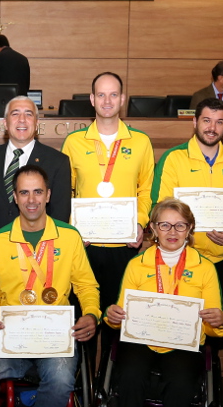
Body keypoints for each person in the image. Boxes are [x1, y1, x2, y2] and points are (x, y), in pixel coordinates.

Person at [103, 199, 223, 407]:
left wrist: (220, 322)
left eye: (180, 225)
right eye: (165, 225)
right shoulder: (137, 264)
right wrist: (111, 315)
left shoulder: (205, 268)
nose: (172, 231)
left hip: (184, 345)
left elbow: (217, 326)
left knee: (183, 384)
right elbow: (118, 311)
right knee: (128, 376)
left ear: (190, 230)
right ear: (153, 230)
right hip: (142, 340)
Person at [0, 165, 100, 407]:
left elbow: (87, 285)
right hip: (12, 330)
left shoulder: (70, 237)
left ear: (48, 195)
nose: (31, 199)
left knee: (61, 380)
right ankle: (33, 394)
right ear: (15, 197)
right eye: (23, 192)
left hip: (54, 329)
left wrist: (91, 314)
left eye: (37, 192)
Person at [61, 72, 155, 314]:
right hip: (85, 244)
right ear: (92, 99)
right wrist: (73, 228)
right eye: (101, 94)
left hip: (124, 244)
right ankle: (87, 355)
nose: (107, 101)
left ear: (122, 99)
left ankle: (111, 355)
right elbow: (65, 193)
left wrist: (140, 223)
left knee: (118, 314)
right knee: (84, 313)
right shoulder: (74, 142)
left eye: (113, 94)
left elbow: (146, 191)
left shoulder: (141, 142)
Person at [152, 98, 223, 303]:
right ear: (194, 122)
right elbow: (160, 206)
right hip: (178, 258)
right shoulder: (173, 158)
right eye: (206, 120)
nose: (212, 127)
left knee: (213, 327)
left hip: (220, 262)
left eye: (219, 122)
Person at [0, 96, 71, 226]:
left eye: (28, 114)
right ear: (5, 123)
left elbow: (60, 215)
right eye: (15, 114)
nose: (22, 120)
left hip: (38, 243)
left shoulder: (58, 161)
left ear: (37, 123)